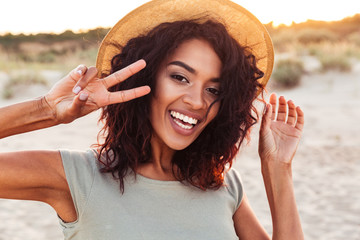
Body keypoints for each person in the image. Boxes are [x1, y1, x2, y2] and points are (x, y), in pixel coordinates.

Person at [0, 0, 305, 239]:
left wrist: (278, 167)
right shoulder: (77, 177)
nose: (198, 101)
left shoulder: (222, 186)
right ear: (145, 79)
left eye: (214, 89)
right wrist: (46, 110)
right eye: (179, 77)